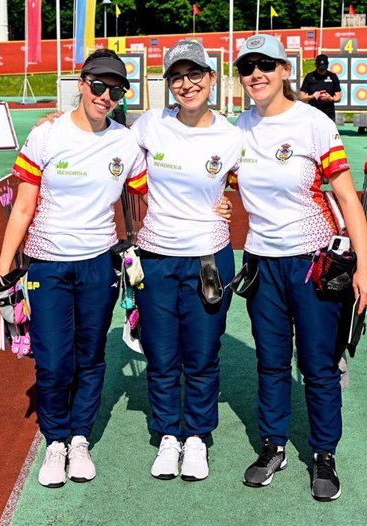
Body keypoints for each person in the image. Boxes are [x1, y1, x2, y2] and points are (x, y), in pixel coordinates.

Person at [231, 34, 367, 501]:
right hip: (262, 263)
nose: (255, 74)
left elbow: (347, 197)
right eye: (247, 67)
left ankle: (323, 453)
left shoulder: (313, 124)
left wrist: (366, 266)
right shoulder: (237, 127)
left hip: (315, 263)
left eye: (265, 65)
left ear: (284, 70)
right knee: (270, 362)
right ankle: (273, 445)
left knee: (317, 365)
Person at [0, 49, 146, 489]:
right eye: (98, 85)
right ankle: (55, 440)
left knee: (91, 355)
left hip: (99, 264)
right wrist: (3, 271)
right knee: (55, 361)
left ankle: (80, 437)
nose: (105, 96)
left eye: (116, 90)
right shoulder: (47, 135)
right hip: (47, 264)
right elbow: (23, 207)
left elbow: (151, 193)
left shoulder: (126, 141)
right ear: (82, 83)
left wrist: (216, 204)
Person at [129, 40, 243, 482]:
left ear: (211, 78)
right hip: (156, 257)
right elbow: (101, 137)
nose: (186, 84)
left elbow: (261, 182)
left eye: (195, 74)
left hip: (208, 258)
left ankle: (196, 437)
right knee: (161, 353)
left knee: (201, 353)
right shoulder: (149, 124)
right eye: (176, 76)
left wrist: (227, 201)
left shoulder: (232, 136)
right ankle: (167, 436)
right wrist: (54, 119)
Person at [298, 53, 343, 121]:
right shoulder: (309, 77)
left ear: (327, 65)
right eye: (320, 69)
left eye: (324, 69)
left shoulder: (333, 76)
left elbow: (338, 97)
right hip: (312, 113)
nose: (322, 71)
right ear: (316, 65)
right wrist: (312, 96)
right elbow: (301, 97)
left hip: (328, 114)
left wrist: (330, 98)